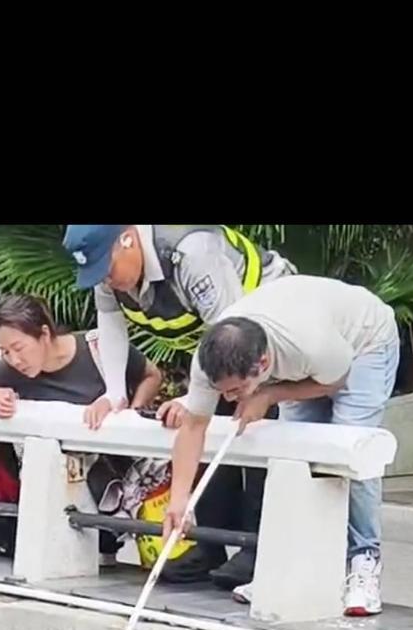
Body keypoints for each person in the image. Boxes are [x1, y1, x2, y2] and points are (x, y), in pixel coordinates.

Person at [62, 223, 293, 591]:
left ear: (127, 238)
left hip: (265, 335)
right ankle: (210, 543)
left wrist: (192, 399)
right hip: (220, 346)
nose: (105, 280)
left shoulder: (192, 253)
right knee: (205, 432)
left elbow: (231, 334)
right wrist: (114, 392)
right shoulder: (108, 270)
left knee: (252, 426)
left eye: (107, 269)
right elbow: (110, 320)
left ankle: (256, 545)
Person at [160, 274, 401, 616]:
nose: (228, 399)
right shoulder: (208, 359)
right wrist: (179, 500)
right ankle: (292, 569)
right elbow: (193, 426)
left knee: (350, 445)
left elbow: (333, 383)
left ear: (262, 366)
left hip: (363, 344)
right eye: (222, 391)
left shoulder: (309, 344)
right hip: (300, 352)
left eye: (235, 390)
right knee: (292, 453)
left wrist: (269, 395)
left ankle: (364, 562)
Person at [0, 291, 198, 567]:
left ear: (44, 334)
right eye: (4, 352)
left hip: (122, 474)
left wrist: (129, 412)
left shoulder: (98, 348)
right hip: (64, 485)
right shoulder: (13, 370)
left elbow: (151, 375)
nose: (13, 359)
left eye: (18, 348)